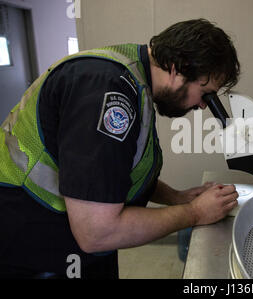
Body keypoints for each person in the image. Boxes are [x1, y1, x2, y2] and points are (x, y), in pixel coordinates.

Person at [0, 19, 240, 279]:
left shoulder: (133, 78)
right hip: (33, 248)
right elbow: (96, 232)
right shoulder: (108, 90)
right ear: (177, 68)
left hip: (71, 242)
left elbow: (110, 174)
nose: (204, 106)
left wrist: (176, 197)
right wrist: (194, 213)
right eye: (204, 93)